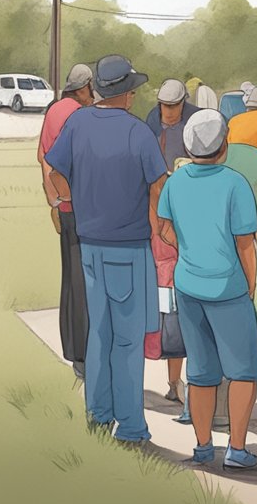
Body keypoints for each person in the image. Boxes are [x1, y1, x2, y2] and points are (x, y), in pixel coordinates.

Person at [45, 55, 166, 444]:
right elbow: (158, 187)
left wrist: (73, 200)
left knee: (99, 333)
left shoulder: (77, 123)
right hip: (128, 245)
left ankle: (98, 417)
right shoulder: (137, 132)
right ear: (127, 94)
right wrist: (161, 227)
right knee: (128, 339)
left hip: (90, 243)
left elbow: (54, 169)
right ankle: (130, 426)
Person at [155, 110, 257, 468]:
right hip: (228, 287)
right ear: (223, 146)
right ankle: (237, 448)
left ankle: (203, 446)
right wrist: (251, 282)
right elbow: (245, 243)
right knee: (243, 371)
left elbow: (163, 226)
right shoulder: (235, 183)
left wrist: (185, 247)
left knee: (200, 372)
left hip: (188, 285)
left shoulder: (176, 181)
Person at [38, 63, 95, 380]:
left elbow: (43, 157)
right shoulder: (80, 114)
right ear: (85, 87)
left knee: (70, 278)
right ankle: (86, 355)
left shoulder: (53, 111)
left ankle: (74, 352)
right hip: (83, 204)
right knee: (86, 281)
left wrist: (52, 199)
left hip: (63, 206)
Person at [145, 78, 195, 402]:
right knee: (167, 308)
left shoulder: (195, 122)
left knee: (180, 309)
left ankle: (182, 382)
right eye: (164, 106)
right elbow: (150, 183)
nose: (168, 113)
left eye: (173, 106)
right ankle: (174, 382)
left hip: (185, 220)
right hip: (161, 230)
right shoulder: (152, 122)